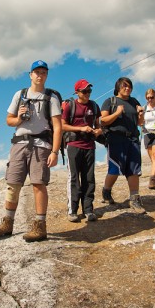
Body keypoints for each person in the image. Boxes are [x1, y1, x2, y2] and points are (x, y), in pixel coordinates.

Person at [0, 60, 62, 242]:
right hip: (19, 144)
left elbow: (57, 126)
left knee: (39, 184)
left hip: (41, 145)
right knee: (13, 183)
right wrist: (19, 118)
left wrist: (55, 152)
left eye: (43, 72)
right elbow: (9, 121)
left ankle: (40, 226)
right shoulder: (20, 94)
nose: (40, 75)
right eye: (36, 72)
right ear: (30, 74)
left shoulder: (52, 97)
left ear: (46, 75)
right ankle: (7, 223)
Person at [100, 77, 146, 213]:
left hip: (132, 139)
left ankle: (134, 199)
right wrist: (118, 113)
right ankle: (106, 191)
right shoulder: (110, 101)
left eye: (129, 86)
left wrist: (141, 114)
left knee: (134, 170)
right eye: (124, 86)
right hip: (116, 139)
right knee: (115, 169)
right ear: (118, 87)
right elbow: (103, 121)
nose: (128, 88)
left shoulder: (134, 102)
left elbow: (139, 123)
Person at [62, 79, 103, 223]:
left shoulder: (94, 106)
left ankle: (88, 209)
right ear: (77, 92)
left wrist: (98, 131)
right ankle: (72, 210)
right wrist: (80, 128)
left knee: (89, 178)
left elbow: (99, 124)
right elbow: (63, 125)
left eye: (89, 91)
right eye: (84, 91)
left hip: (89, 145)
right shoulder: (70, 106)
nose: (87, 94)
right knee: (74, 178)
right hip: (73, 144)